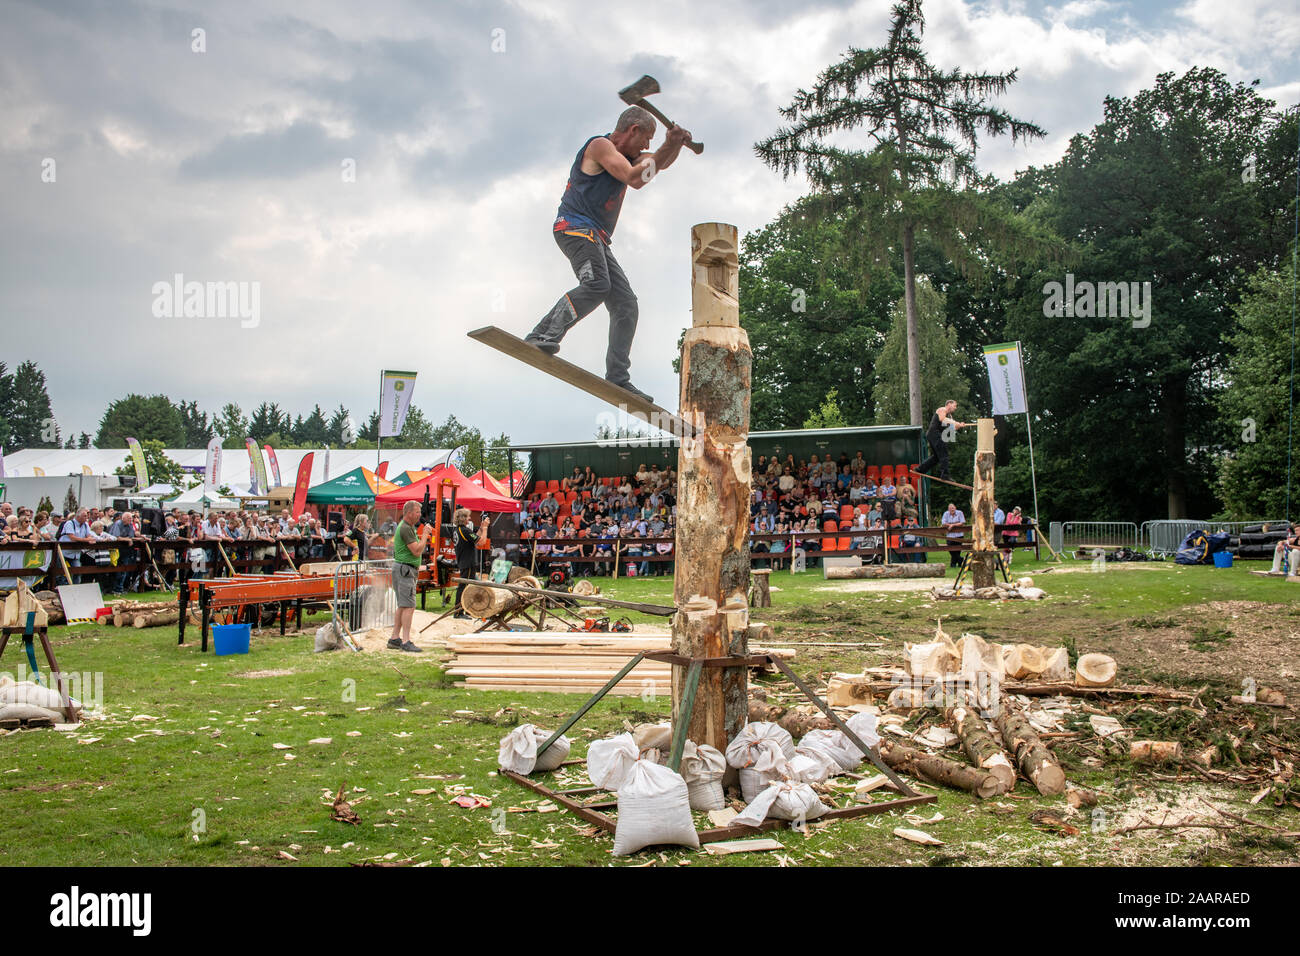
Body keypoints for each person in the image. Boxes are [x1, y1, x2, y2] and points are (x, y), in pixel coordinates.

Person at [523, 106, 694, 402]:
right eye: (646, 139)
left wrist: (674, 145)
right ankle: (542, 334)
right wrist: (669, 143)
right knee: (597, 285)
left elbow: (656, 165)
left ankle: (617, 377)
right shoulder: (600, 146)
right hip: (574, 228)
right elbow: (635, 179)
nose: (647, 146)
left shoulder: (632, 156)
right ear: (633, 130)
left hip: (597, 238)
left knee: (626, 304)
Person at [388, 501, 428, 652]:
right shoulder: (405, 528)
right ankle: (406, 641)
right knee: (409, 606)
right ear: (409, 512)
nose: (419, 515)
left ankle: (394, 638)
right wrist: (424, 535)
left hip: (402, 568)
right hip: (405, 569)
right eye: (417, 512)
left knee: (403, 605)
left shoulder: (408, 527)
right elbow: (417, 551)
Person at [917, 400, 972, 481]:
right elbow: (942, 419)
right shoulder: (943, 410)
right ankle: (945, 475)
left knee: (936, 457)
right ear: (949, 404)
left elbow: (952, 428)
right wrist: (955, 422)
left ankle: (920, 469)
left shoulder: (950, 417)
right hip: (935, 433)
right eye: (954, 405)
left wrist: (959, 425)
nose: (955, 408)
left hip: (933, 435)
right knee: (944, 454)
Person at [452, 508, 489, 620]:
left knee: (469, 587)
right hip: (467, 562)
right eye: (468, 516)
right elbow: (481, 542)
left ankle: (466, 609)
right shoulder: (464, 530)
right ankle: (458, 612)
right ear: (463, 518)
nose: (470, 518)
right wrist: (486, 528)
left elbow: (475, 539)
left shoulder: (459, 530)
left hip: (464, 561)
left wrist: (481, 529)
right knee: (464, 587)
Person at [941, 502, 966, 568]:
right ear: (948, 509)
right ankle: (961, 560)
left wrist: (952, 525)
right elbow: (943, 523)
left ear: (955, 508)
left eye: (953, 508)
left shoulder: (960, 513)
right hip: (950, 536)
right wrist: (951, 525)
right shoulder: (946, 514)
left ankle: (953, 564)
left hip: (959, 535)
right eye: (950, 508)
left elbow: (962, 522)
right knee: (951, 549)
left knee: (958, 550)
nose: (952, 509)